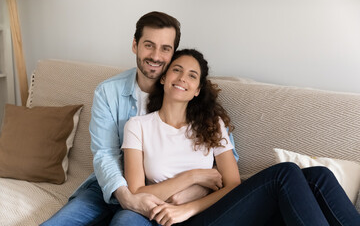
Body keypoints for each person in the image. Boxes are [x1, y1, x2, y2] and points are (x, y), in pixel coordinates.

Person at [118, 48, 360, 226]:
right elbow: (138, 192)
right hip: (176, 221)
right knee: (284, 173)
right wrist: (194, 176)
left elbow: (232, 185)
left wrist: (190, 208)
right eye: (177, 70)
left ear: (197, 90)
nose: (183, 78)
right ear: (163, 78)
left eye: (192, 75)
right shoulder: (138, 126)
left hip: (210, 212)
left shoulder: (211, 124)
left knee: (318, 176)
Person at [41, 11, 239, 225]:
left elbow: (225, 163)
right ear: (135, 45)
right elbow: (105, 154)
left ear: (172, 54)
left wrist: (193, 189)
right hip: (112, 185)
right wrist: (128, 197)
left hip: (169, 190)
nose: (155, 56)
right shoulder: (108, 92)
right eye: (148, 45)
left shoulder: (193, 101)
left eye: (165, 48)